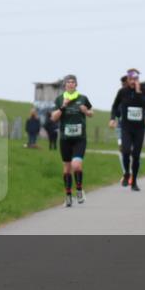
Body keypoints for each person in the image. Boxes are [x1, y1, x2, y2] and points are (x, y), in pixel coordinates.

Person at [51, 74, 94, 206]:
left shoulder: (82, 98)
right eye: (68, 82)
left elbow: (92, 113)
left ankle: (79, 190)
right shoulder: (59, 99)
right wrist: (63, 107)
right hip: (65, 139)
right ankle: (68, 195)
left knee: (76, 165)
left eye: (73, 82)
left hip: (80, 139)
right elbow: (53, 118)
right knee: (67, 167)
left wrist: (86, 111)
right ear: (64, 85)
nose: (70, 84)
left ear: (76, 85)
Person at [110, 69, 145, 191]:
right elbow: (114, 105)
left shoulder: (143, 91)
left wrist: (138, 92)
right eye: (131, 79)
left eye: (136, 79)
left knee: (136, 155)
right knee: (126, 151)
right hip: (126, 127)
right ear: (127, 80)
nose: (133, 82)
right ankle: (127, 172)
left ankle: (134, 182)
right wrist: (112, 118)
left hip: (139, 128)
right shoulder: (122, 92)